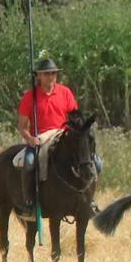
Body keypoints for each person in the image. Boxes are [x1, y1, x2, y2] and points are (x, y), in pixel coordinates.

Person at [16, 55, 78, 218]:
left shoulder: (65, 93)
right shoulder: (30, 96)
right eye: (46, 73)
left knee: (92, 162)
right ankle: (29, 202)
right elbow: (21, 126)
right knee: (29, 163)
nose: (50, 77)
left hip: (62, 135)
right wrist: (30, 139)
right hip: (40, 137)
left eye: (53, 73)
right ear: (38, 76)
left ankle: (87, 200)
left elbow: (75, 118)